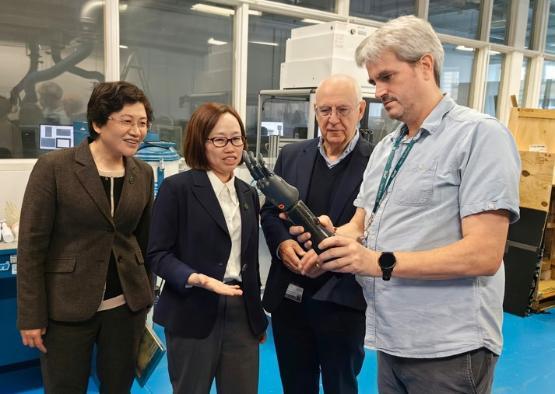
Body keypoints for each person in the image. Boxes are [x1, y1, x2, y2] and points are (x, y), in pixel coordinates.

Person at [291, 16, 520, 394]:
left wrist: (378, 262)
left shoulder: (479, 136)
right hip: (392, 341)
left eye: (387, 77)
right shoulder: (388, 147)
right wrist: (331, 237)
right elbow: (361, 223)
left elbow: (484, 254)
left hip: (448, 348)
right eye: (374, 82)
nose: (378, 91)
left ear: (425, 65)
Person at [17, 81, 155, 393]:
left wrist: (145, 297)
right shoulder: (54, 167)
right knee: (64, 387)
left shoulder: (142, 173)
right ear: (97, 122)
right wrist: (30, 316)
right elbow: (31, 247)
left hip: (125, 307)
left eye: (143, 122)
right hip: (66, 307)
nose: (138, 131)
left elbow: (146, 243)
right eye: (127, 121)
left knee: (118, 386)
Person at [147, 102, 268, 394]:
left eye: (237, 138)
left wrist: (257, 318)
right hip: (192, 309)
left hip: (241, 312)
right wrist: (194, 278)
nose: (231, 147)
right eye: (219, 139)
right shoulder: (178, 189)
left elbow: (248, 259)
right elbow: (157, 254)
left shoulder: (248, 193)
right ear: (201, 143)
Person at [261, 74, 371, 394]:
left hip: (343, 302)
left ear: (361, 110)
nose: (332, 119)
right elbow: (270, 212)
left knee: (340, 385)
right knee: (295, 385)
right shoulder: (293, 156)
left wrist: (328, 256)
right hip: (290, 299)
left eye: (343, 110)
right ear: (314, 110)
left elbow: (376, 226)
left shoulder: (376, 163)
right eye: (324, 110)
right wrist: (282, 245)